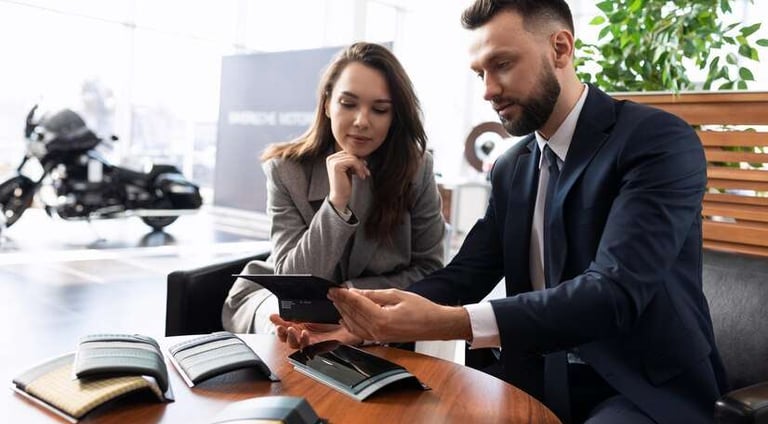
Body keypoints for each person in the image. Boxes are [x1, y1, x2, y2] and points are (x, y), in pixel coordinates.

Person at [271, 1, 727, 423]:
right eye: (480, 73)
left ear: (561, 48)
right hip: (538, 377)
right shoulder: (512, 167)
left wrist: (450, 322)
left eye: (503, 65)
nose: (489, 90)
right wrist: (359, 321)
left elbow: (613, 293)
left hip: (641, 389)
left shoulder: (656, 141)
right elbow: (465, 274)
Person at [222, 42, 446, 335]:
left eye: (379, 109)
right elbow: (292, 282)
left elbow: (430, 270)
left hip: (371, 307)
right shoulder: (286, 169)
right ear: (327, 103)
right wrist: (336, 203)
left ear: (394, 116)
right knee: (288, 329)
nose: (361, 121)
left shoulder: (416, 169)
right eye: (348, 104)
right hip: (280, 301)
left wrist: (350, 296)